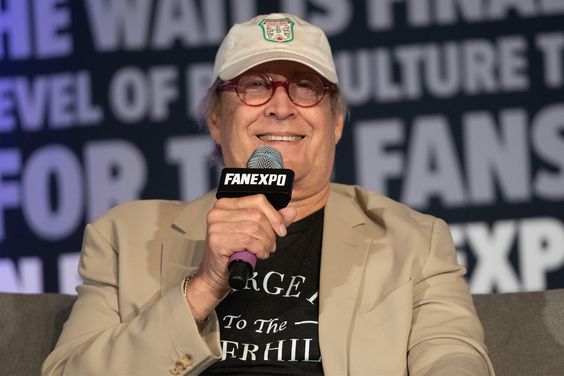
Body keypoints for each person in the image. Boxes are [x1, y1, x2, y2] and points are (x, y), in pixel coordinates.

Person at [42, 13, 495, 376]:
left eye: (305, 87)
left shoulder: (413, 240)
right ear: (216, 119)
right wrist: (202, 288)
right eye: (255, 86)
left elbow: (452, 355)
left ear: (336, 122)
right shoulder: (125, 236)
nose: (281, 106)